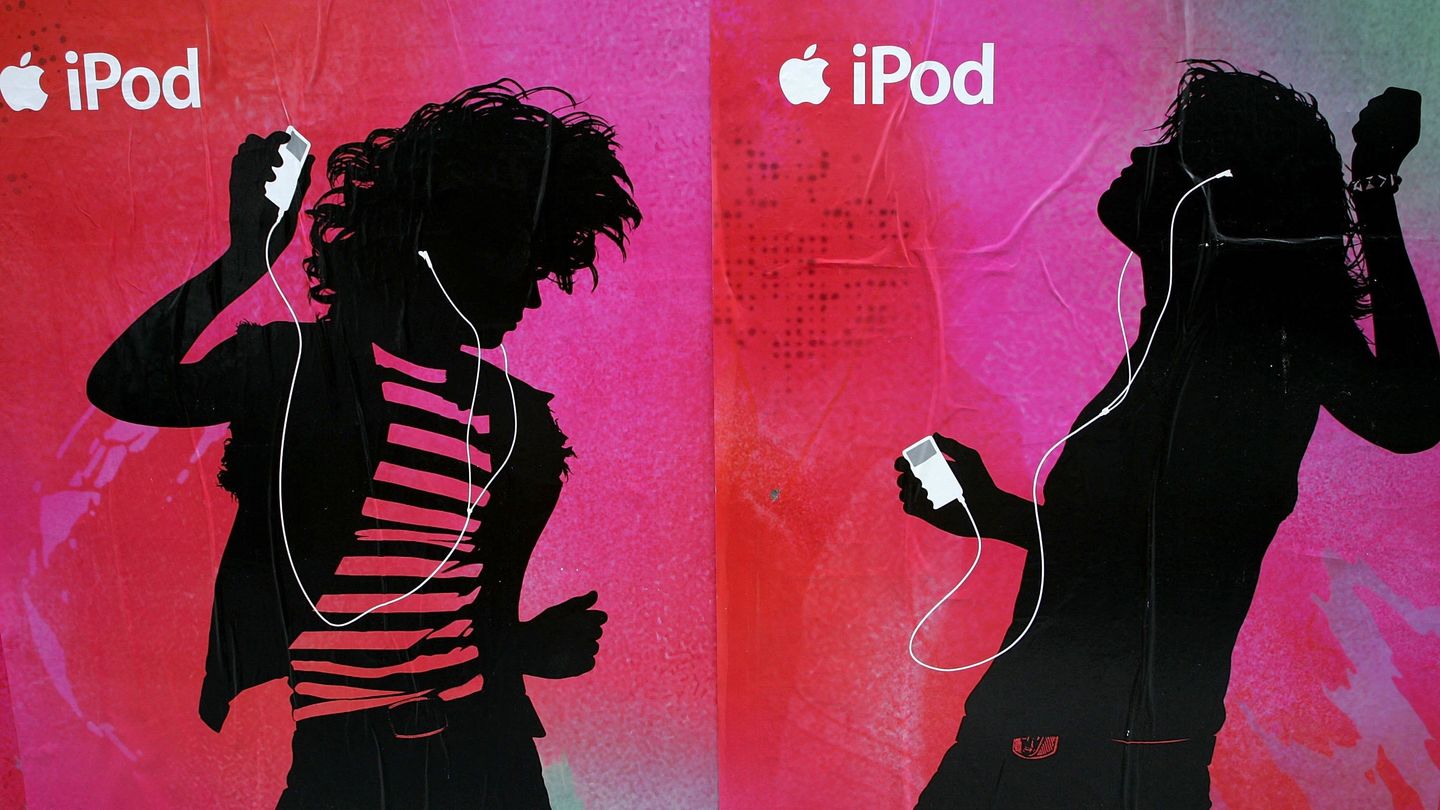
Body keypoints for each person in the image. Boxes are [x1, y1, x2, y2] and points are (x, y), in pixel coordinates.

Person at [896, 62, 1440, 808]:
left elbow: (1411, 415)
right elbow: (1138, 553)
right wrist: (992, 512)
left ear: (1216, 194)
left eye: (1173, 149)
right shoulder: (1180, 334)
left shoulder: (1263, 332)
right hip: (1037, 735)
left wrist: (1374, 184)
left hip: (1088, 755)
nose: (1140, 156)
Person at [87, 80, 641, 809]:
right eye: (518, 264)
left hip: (489, 758)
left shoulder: (516, 423)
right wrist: (244, 261)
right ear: (444, 244)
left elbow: (463, 618)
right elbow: (125, 386)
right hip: (343, 764)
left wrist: (532, 646)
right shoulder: (294, 369)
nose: (531, 295)